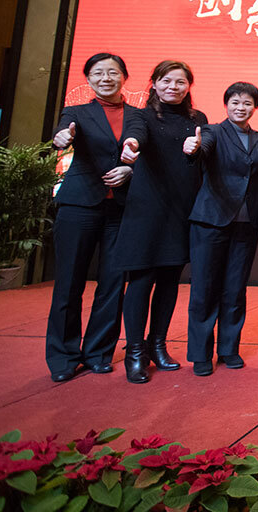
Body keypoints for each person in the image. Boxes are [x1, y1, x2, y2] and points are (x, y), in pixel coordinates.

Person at [45, 53, 137, 382]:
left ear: (124, 77)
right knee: (69, 283)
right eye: (98, 73)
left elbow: (146, 155)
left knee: (112, 284)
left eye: (113, 72)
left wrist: (130, 169)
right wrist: (61, 138)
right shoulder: (77, 113)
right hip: (79, 205)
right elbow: (61, 134)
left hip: (120, 209)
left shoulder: (137, 116)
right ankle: (63, 357)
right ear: (88, 79)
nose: (106, 78)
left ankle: (98, 353)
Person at [117, 60, 208, 384]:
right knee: (141, 281)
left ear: (188, 86)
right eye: (167, 81)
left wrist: (197, 150)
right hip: (147, 210)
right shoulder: (141, 117)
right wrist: (130, 146)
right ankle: (135, 352)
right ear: (154, 83)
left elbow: (202, 159)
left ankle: (158, 345)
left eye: (180, 82)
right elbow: (134, 137)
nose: (173, 87)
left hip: (181, 209)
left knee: (170, 281)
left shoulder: (198, 120)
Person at [183, 82, 258, 377]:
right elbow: (202, 150)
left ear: (255, 107)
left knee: (235, 289)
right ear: (226, 105)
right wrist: (193, 149)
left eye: (247, 103)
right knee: (204, 289)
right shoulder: (212, 132)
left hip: (246, 224)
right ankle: (200, 354)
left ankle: (229, 349)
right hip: (211, 221)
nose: (240, 108)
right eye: (235, 102)